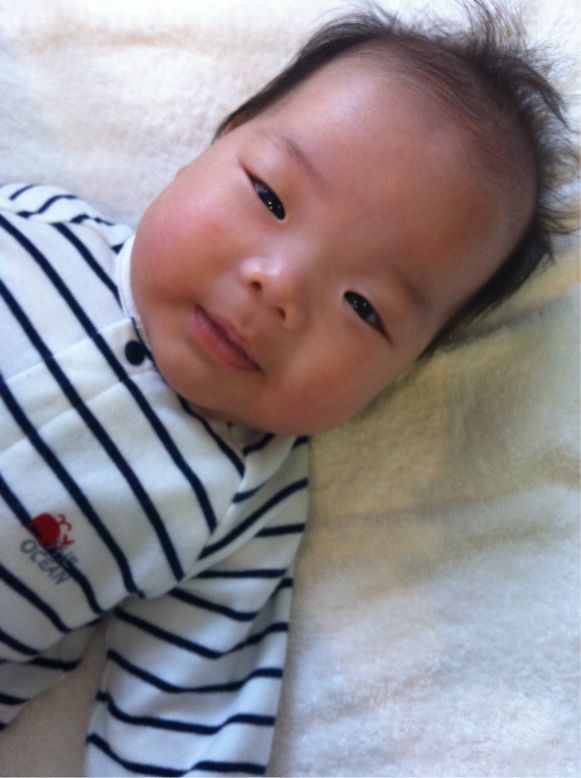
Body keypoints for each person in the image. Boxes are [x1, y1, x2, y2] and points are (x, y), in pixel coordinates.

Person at [0, 2, 576, 775]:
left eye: (364, 307)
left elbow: (188, 722)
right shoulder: (34, 224)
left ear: (401, 372)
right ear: (215, 143)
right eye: (270, 197)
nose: (279, 287)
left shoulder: (242, 507)